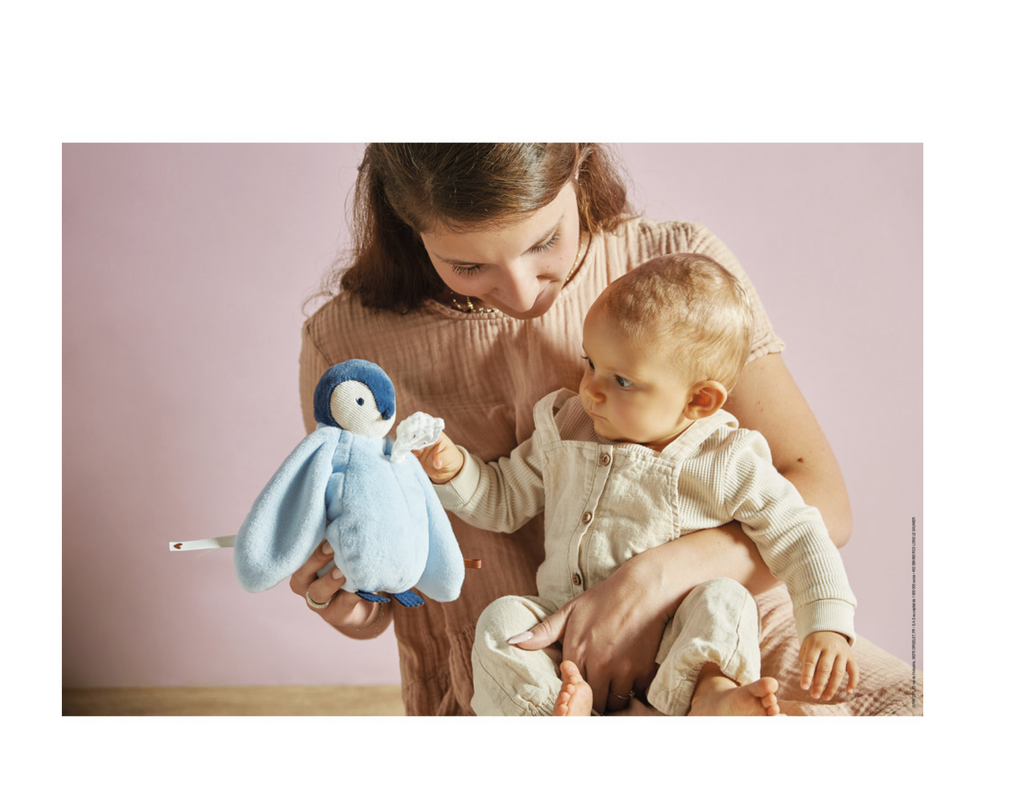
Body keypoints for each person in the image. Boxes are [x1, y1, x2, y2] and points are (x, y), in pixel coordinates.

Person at [291, 143, 921, 716]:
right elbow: (403, 560)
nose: (520, 294)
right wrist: (344, 596)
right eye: (466, 265)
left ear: (579, 162)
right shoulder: (350, 355)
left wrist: (650, 583)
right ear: (408, 222)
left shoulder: (676, 276)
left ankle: (708, 698)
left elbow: (818, 505)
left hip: (732, 641)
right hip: (524, 666)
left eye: (545, 242)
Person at [414, 252, 859, 716]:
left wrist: (827, 621)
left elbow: (800, 533)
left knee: (725, 601)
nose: (591, 389)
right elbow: (503, 499)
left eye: (622, 381)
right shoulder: (567, 430)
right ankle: (553, 712)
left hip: (675, 640)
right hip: (567, 640)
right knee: (501, 622)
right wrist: (454, 470)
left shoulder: (724, 458)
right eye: (590, 363)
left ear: (699, 400)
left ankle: (710, 695)